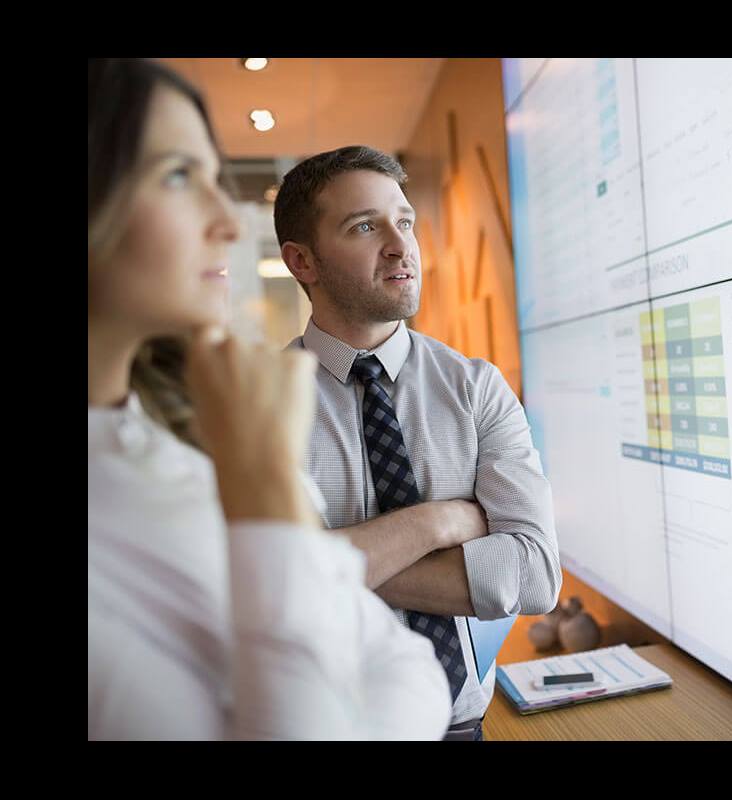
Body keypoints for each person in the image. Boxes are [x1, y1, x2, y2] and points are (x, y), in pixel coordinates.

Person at [87, 59, 452, 740]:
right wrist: (266, 490)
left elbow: (413, 668)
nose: (228, 219)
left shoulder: (194, 431)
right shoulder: (250, 440)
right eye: (176, 176)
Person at [274, 145, 562, 741]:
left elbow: (534, 574)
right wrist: (437, 524)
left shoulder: (477, 388)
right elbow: (259, 590)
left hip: (462, 726)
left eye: (404, 221)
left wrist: (321, 563)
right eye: (364, 226)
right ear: (302, 261)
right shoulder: (260, 409)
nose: (400, 245)